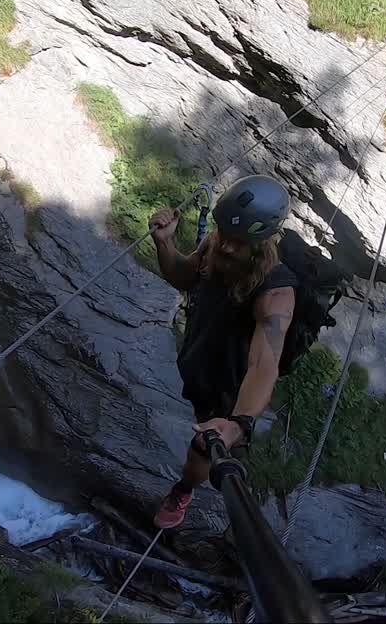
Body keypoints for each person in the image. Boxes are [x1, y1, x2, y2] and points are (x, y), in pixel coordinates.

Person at [147, 174, 298, 529]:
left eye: (239, 242)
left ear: (262, 242)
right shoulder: (217, 243)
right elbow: (183, 277)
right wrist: (164, 244)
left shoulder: (276, 294)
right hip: (201, 354)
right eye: (225, 236)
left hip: (232, 380)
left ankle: (183, 490)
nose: (227, 247)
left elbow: (264, 364)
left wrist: (238, 423)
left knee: (205, 443)